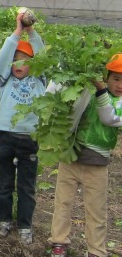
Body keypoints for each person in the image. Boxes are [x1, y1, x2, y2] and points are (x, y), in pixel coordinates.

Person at [49, 53, 122, 257]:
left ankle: (96, 250)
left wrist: (100, 89)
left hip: (97, 165)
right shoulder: (88, 92)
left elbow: (108, 118)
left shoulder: (119, 103)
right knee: (62, 203)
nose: (120, 85)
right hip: (70, 157)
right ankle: (59, 242)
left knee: (96, 210)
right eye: (116, 79)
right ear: (106, 77)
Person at [0, 12, 46, 244]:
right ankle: (3, 220)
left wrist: (30, 30)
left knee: (26, 187)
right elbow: (3, 57)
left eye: (24, 60)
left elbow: (42, 56)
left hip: (29, 139)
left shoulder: (39, 80)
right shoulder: (4, 80)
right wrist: (17, 31)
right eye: (15, 60)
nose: (18, 64)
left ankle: (25, 226)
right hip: (6, 137)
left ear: (33, 65)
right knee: (4, 183)